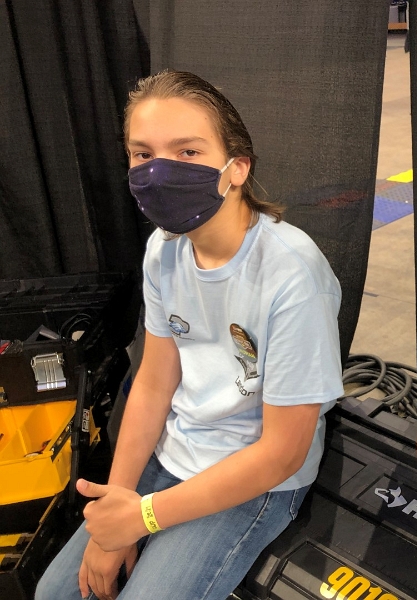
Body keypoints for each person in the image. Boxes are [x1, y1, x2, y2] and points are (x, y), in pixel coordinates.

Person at [36, 70, 344, 600]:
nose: (160, 171)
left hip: (254, 482)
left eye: (188, 151)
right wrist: (118, 500)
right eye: (143, 154)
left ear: (237, 167)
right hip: (173, 454)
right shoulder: (164, 249)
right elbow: (154, 383)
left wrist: (141, 518)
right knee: (56, 594)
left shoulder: (293, 274)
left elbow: (281, 453)